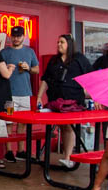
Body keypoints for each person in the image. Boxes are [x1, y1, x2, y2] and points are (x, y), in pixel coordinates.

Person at [35, 34, 92, 167]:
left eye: (62, 42)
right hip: (56, 100)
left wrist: (89, 94)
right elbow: (45, 79)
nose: (59, 44)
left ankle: (68, 157)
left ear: (69, 44)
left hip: (73, 101)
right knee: (62, 127)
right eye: (58, 42)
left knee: (69, 127)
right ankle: (66, 156)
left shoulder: (79, 59)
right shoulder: (54, 60)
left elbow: (90, 76)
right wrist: (39, 96)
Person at [0, 25, 39, 161]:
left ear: (23, 37)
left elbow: (37, 69)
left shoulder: (30, 52)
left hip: (25, 93)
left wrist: (28, 68)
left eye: (18, 36)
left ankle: (21, 150)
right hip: (9, 94)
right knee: (9, 122)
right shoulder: (4, 52)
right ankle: (9, 150)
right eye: (14, 36)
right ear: (11, 37)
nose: (16, 38)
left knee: (23, 123)